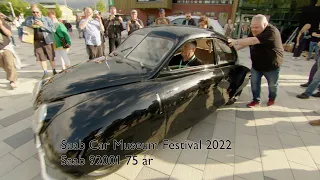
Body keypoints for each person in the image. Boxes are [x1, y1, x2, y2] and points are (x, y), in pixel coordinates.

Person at [228, 14, 283, 107]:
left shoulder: (271, 32)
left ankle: (272, 98)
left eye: (257, 27)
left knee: (272, 85)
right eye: (252, 27)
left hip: (271, 66)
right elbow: (247, 42)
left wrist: (235, 41)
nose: (253, 29)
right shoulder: (254, 31)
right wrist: (232, 50)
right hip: (256, 65)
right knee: (254, 84)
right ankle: (256, 100)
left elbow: (253, 41)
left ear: (265, 25)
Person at [19, 4, 57, 79]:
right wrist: (20, 35)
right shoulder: (29, 19)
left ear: (40, 11)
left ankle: (54, 70)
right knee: (41, 57)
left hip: (47, 40)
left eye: (37, 12)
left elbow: (53, 29)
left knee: (51, 56)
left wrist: (43, 25)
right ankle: (45, 72)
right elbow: (21, 27)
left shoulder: (46, 19)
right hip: (37, 41)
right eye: (33, 12)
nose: (35, 14)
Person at [0, 13, 18, 89]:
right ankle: (13, 75)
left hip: (6, 47)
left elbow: (9, 34)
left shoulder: (4, 23)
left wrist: (1, 26)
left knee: (9, 64)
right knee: (3, 65)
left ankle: (12, 80)